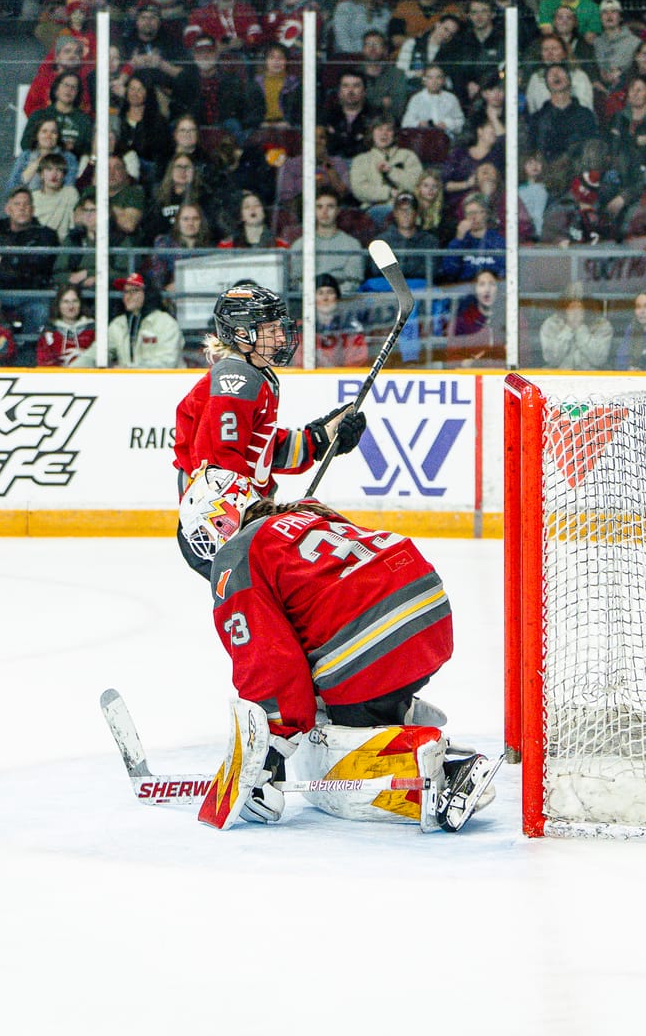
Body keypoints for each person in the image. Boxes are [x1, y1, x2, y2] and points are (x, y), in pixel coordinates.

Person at [177, 493, 498, 833]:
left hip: (375, 635)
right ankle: (393, 716)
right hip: (427, 609)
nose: (205, 548)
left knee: (336, 764)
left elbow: (269, 664)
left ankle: (442, 773)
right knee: (327, 690)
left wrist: (268, 754)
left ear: (222, 520)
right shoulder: (301, 513)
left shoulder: (236, 554)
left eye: (202, 535)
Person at [170, 284, 366, 578]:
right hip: (221, 527)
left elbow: (260, 451)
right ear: (241, 334)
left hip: (244, 520)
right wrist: (265, 519)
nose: (280, 337)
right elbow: (220, 472)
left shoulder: (255, 375)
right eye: (270, 329)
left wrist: (319, 439)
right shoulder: (234, 381)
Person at [107, 271, 182, 368]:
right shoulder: (118, 324)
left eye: (134, 291)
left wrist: (128, 371)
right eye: (125, 291)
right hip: (128, 381)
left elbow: (166, 363)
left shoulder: (166, 323)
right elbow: (96, 353)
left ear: (147, 293)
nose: (128, 296)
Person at [34, 282, 95, 367]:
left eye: (75, 301)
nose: (71, 306)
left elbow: (103, 360)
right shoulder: (49, 331)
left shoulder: (93, 329)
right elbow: (43, 363)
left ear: (80, 303)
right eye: (66, 302)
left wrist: (85, 355)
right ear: (58, 305)